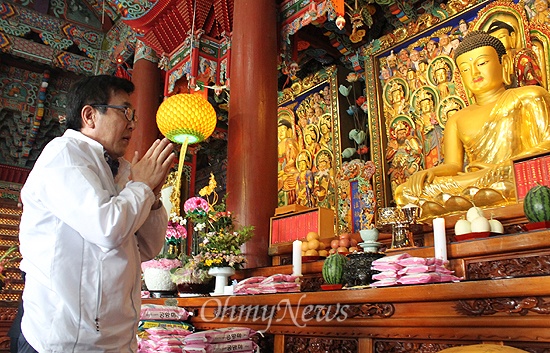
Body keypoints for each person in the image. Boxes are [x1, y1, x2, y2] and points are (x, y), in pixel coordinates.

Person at [17, 75, 176, 353]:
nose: (133, 124)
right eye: (125, 112)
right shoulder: (63, 155)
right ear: (89, 116)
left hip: (115, 341)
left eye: (134, 115)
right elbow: (107, 229)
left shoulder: (121, 168)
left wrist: (151, 198)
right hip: (65, 342)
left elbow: (148, 247)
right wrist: (141, 186)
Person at [394, 31, 550, 215]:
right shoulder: (457, 118)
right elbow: (453, 166)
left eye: (482, 63)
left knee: (527, 179)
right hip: (476, 181)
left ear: (504, 63)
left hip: (513, 176)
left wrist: (505, 166)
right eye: (466, 69)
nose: (474, 72)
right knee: (404, 193)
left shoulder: (530, 96)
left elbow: (546, 144)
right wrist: (431, 173)